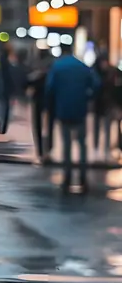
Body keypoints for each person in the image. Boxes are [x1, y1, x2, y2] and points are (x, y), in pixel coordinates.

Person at [47, 44, 99, 193]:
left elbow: (49, 88)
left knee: (67, 144)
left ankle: (67, 177)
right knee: (82, 144)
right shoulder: (82, 66)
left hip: (63, 109)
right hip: (80, 108)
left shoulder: (57, 67)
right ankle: (83, 177)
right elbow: (96, 83)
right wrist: (88, 96)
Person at [27, 50, 55, 163]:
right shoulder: (52, 69)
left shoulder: (36, 69)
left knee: (38, 126)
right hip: (50, 100)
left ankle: (41, 151)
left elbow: (27, 82)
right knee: (49, 126)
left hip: (38, 99)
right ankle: (47, 150)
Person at [93, 55, 122, 157]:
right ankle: (97, 150)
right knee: (98, 128)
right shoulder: (97, 73)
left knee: (107, 127)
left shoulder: (111, 73)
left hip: (108, 105)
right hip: (100, 105)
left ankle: (106, 150)